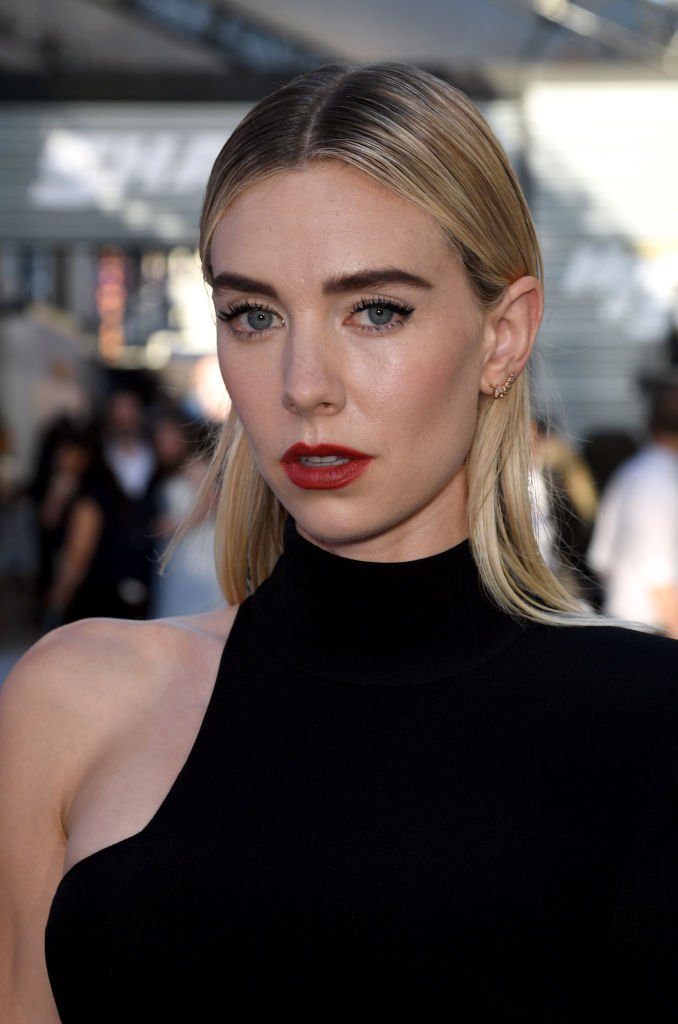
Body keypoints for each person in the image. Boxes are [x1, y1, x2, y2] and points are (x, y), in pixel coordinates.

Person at [1, 63, 678, 1023]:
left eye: (376, 310)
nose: (303, 383)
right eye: (254, 315)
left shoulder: (649, 726)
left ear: (504, 335)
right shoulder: (75, 701)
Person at [588, 382, 678, 636]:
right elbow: (659, 577)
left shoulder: (636, 471)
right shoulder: (658, 482)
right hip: (652, 631)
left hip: (632, 627)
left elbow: (600, 561)